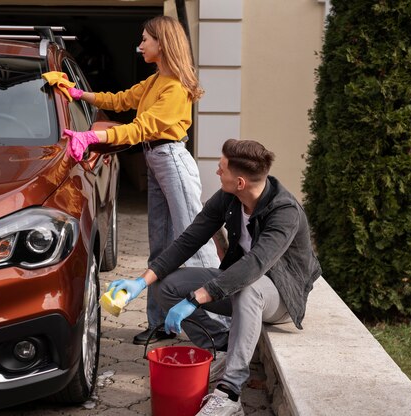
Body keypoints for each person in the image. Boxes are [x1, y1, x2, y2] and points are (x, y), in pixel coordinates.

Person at [108, 139, 322, 415]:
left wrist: (196, 298)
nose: (217, 173)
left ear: (241, 182)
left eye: (222, 169)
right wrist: (141, 280)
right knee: (166, 286)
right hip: (239, 283)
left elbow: (255, 265)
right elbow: (188, 240)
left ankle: (229, 393)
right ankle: (222, 348)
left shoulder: (285, 211)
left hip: (280, 294)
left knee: (249, 289)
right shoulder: (228, 198)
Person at [62, 15, 222, 345]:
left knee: (196, 244)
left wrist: (93, 138)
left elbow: (141, 128)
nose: (141, 44)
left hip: (173, 161)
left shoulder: (175, 88)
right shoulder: (154, 82)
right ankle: (161, 323)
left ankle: (221, 324)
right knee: (160, 245)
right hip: (156, 160)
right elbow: (120, 100)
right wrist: (79, 94)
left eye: (146, 39)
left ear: (162, 44)